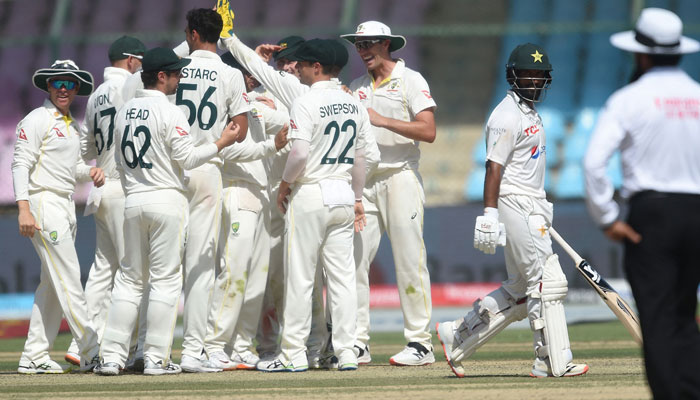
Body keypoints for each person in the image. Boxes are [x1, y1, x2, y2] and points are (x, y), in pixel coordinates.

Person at [436, 43, 589, 378]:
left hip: (533, 204)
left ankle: (458, 335)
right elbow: (494, 167)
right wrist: (489, 214)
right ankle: (550, 360)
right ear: (513, 75)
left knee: (520, 290)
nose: (534, 81)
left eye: (539, 75)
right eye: (527, 74)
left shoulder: (529, 112)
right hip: (515, 202)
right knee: (547, 280)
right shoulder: (505, 115)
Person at [96, 47, 242, 376]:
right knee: (164, 282)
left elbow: (117, 162)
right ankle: (156, 359)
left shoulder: (124, 112)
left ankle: (112, 358)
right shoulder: (171, 111)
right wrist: (221, 143)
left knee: (129, 281)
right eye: (175, 73)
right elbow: (188, 159)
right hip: (166, 201)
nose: (180, 78)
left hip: (133, 200)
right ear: (160, 76)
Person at [583, 8, 700, 399]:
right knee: (685, 314)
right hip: (695, 211)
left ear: (642, 54)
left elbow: (594, 162)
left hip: (653, 215)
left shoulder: (629, 99)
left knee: (658, 317)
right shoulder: (697, 95)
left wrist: (607, 217)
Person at [256, 39, 370, 372]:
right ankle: (347, 351)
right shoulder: (354, 104)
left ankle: (292, 354)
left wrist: (285, 185)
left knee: (301, 277)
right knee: (342, 277)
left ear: (317, 68)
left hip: (310, 191)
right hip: (343, 193)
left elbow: (300, 153)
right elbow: (361, 158)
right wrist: (358, 197)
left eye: (303, 64)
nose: (299, 69)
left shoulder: (306, 102)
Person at [340, 20, 436, 365]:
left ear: (386, 44)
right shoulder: (355, 87)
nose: (362, 50)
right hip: (364, 184)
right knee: (353, 262)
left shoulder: (411, 80)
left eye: (368, 43)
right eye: (358, 44)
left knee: (410, 260)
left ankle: (420, 344)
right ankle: (357, 342)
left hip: (400, 177)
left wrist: (382, 120)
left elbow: (428, 130)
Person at [11, 59, 103, 373]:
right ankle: (91, 350)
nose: (63, 89)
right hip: (43, 204)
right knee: (68, 279)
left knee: (51, 284)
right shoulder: (36, 119)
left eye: (70, 84)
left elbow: (70, 170)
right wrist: (24, 208)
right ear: (48, 86)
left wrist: (89, 171)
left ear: (77, 89)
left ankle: (34, 355)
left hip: (64, 205)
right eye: (58, 83)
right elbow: (20, 163)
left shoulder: (71, 125)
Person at [62, 36, 146, 368]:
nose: (142, 66)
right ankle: (124, 349)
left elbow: (85, 152)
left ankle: (80, 343)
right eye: (139, 61)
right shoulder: (133, 88)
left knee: (101, 272)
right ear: (129, 61)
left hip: (101, 191)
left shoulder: (95, 95)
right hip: (125, 188)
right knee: (133, 273)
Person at [204, 53, 289, 371]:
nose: (251, 78)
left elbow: (294, 120)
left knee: (255, 279)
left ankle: (241, 345)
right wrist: (271, 146)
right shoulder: (223, 110)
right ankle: (213, 344)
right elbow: (226, 150)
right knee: (234, 272)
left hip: (260, 197)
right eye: (244, 73)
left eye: (251, 74)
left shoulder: (253, 107)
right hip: (236, 191)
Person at [177, 8, 249, 373]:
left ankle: (145, 349)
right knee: (201, 264)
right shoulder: (230, 73)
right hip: (209, 168)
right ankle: (192, 352)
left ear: (190, 34)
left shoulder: (173, 67)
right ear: (218, 35)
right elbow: (241, 128)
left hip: (171, 171)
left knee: (156, 266)